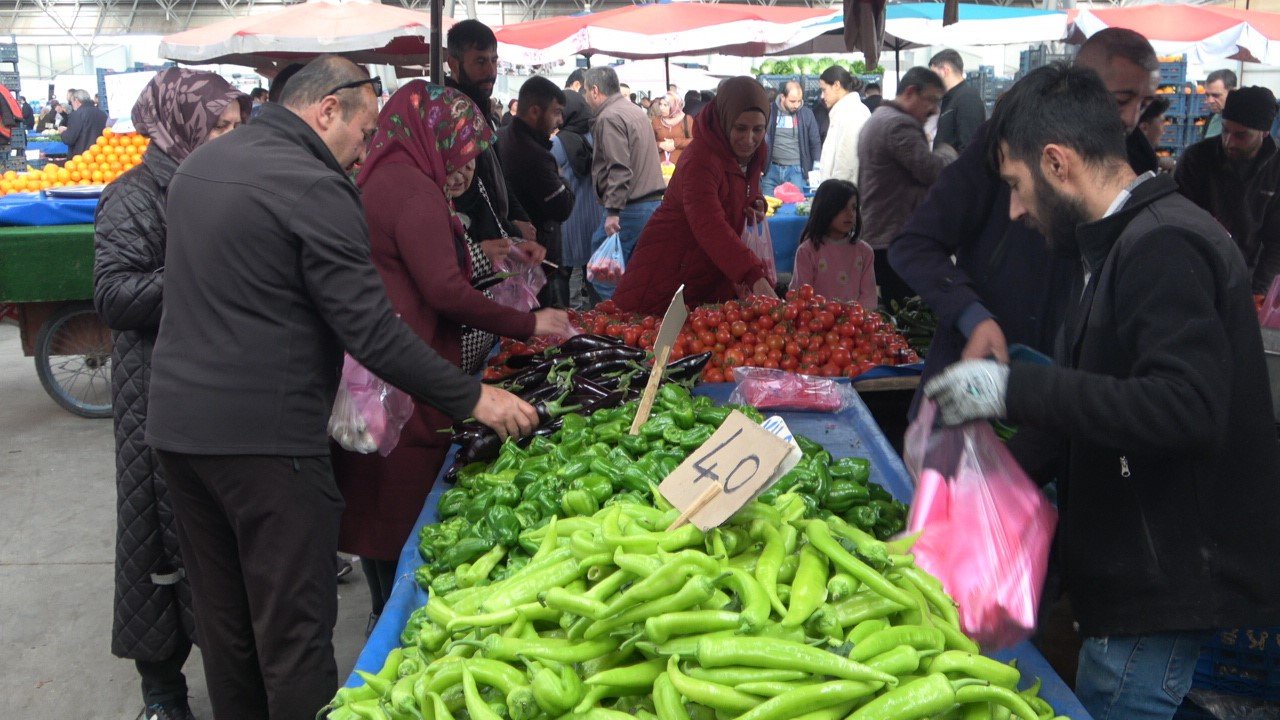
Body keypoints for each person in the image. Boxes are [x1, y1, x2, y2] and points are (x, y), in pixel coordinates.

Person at [146, 55, 538, 720]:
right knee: (295, 632)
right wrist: (474, 397)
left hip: (179, 433)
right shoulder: (313, 184)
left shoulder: (201, 167)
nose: (367, 147)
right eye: (364, 128)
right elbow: (372, 332)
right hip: (268, 441)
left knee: (227, 622)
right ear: (328, 108)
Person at [925, 62, 1280, 720]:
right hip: (1133, 564)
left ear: (1057, 163)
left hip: (1162, 579)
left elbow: (1185, 408)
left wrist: (1012, 390)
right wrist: (975, 486)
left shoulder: (1163, 246)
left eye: (1016, 185)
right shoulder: (1120, 245)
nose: (1015, 210)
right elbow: (1094, 395)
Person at [337, 81, 571, 632]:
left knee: (381, 505)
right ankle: (389, 620)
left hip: (387, 369)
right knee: (396, 505)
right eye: (460, 150)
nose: (466, 165)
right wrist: (527, 322)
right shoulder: (412, 190)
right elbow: (443, 289)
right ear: (431, 137)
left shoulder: (389, 176)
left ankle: (383, 608)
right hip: (403, 374)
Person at [889, 27, 1161, 411]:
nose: (1132, 118)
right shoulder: (1003, 141)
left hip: (1061, 394)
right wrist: (972, 315)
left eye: (1146, 104)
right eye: (1120, 100)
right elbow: (914, 244)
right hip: (975, 374)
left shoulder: (1140, 175)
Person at [93, 68, 248, 720]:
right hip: (153, 390)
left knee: (218, 542)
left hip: (221, 386)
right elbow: (115, 295)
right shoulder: (131, 197)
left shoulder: (225, 185)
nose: (232, 140)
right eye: (220, 127)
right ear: (179, 124)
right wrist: (202, 274)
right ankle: (162, 691)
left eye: (237, 127)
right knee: (155, 539)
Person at [613, 77, 776, 314]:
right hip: (667, 271)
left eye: (758, 129)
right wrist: (754, 275)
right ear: (724, 120)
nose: (749, 139)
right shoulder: (700, 159)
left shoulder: (751, 154)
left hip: (701, 275)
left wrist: (752, 200)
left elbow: (740, 186)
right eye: (740, 128)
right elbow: (709, 225)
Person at [446, 20, 547, 267]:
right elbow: (467, 194)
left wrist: (519, 221)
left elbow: (496, 176)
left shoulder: (482, 111)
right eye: (480, 61)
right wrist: (511, 228)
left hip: (496, 245)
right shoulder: (449, 114)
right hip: (471, 252)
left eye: (494, 60)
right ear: (454, 64)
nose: (491, 70)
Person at [857, 67, 956, 308]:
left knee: (897, 308)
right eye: (931, 100)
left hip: (881, 231)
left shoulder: (879, 118)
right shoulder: (899, 126)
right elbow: (931, 170)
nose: (934, 110)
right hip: (894, 235)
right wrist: (948, 152)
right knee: (906, 311)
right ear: (910, 92)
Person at [1176, 86, 1280, 293]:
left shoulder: (1277, 169)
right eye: (1225, 130)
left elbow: (1276, 242)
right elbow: (1177, 220)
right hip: (1195, 269)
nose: (1229, 142)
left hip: (1249, 273)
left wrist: (1258, 292)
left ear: (1264, 131)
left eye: (1241, 135)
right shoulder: (1196, 158)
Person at [582, 66, 666, 299]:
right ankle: (632, 324)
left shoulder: (609, 117)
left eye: (586, 92)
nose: (587, 99)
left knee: (605, 274)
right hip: (648, 205)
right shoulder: (634, 110)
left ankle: (617, 327)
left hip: (629, 208)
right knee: (633, 274)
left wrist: (613, 211)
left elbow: (619, 167)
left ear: (595, 91)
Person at [499, 76, 575, 307]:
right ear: (534, 111)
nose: (559, 121)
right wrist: (563, 179)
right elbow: (563, 206)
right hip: (537, 260)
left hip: (521, 259)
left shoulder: (503, 136)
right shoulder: (533, 154)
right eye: (556, 112)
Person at [554, 74, 604, 309]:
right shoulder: (595, 136)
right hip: (594, 214)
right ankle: (598, 314)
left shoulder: (558, 143)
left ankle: (566, 317)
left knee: (563, 271)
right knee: (591, 273)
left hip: (569, 218)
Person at [789, 179, 875, 307]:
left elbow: (868, 296)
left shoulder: (865, 251)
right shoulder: (807, 251)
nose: (850, 214)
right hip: (816, 323)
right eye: (842, 208)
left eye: (854, 207)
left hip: (854, 324)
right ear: (825, 209)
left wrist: (856, 319)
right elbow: (800, 298)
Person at [763, 80, 821, 196]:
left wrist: (816, 169)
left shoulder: (806, 114)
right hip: (770, 170)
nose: (796, 105)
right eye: (793, 101)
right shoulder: (768, 111)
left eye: (799, 101)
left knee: (796, 207)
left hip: (797, 171)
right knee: (766, 207)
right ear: (782, 97)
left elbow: (815, 143)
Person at [817, 65, 870, 186]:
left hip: (844, 195)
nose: (822, 96)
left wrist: (836, 197)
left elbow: (846, 163)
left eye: (824, 90)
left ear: (836, 85)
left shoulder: (852, 112)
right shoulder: (844, 111)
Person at [929, 49, 985, 154]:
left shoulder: (968, 98)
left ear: (945, 71)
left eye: (933, 75)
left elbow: (969, 149)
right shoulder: (949, 97)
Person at [61, 88, 108, 158]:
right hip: (99, 157)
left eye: (71, 102)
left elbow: (69, 139)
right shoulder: (102, 114)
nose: (72, 105)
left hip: (81, 159)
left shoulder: (76, 115)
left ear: (76, 100)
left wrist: (63, 132)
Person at [651, 91, 693, 167]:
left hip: (683, 165)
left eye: (665, 105)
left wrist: (675, 143)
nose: (661, 108)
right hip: (661, 167)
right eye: (660, 104)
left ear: (675, 106)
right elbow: (649, 142)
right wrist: (660, 144)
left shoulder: (687, 119)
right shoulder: (656, 121)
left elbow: (694, 140)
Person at [1201, 68, 1237, 140]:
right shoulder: (1212, 117)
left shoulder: (1241, 122)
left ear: (1232, 92)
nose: (1210, 100)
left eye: (1216, 95)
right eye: (1207, 95)